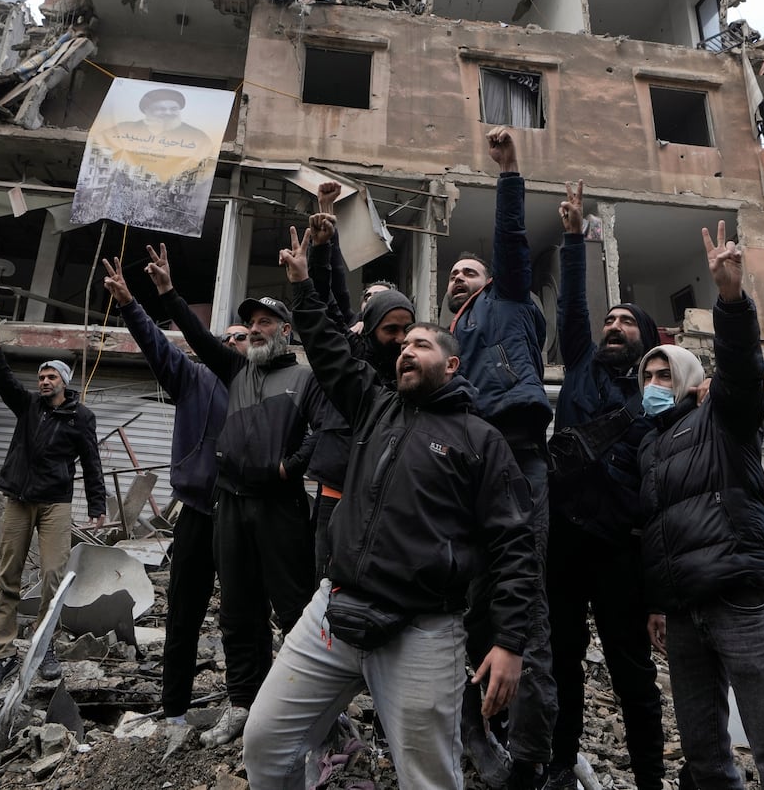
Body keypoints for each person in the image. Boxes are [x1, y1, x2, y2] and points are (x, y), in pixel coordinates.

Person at [242, 223, 535, 789]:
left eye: (420, 344)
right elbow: (329, 352)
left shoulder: (482, 441)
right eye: (400, 346)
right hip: (335, 611)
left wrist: (508, 642)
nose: (405, 352)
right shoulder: (373, 407)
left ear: (452, 366)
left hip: (422, 631)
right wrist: (303, 284)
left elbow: (515, 546)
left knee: (428, 778)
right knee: (265, 742)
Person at [140, 244, 348, 748]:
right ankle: (243, 705)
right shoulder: (236, 372)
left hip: (279, 506)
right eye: (249, 322)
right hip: (229, 504)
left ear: (286, 331)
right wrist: (167, 292)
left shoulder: (305, 378)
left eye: (265, 322)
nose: (254, 329)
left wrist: (289, 466)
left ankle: (317, 715)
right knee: (237, 609)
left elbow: (326, 430)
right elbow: (192, 336)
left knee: (294, 607)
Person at [637, 223, 764, 790]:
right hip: (683, 614)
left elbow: (741, 371)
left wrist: (732, 300)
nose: (654, 382)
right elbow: (657, 532)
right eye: (647, 375)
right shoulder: (649, 446)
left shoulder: (723, 418)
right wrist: (657, 604)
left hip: (738, 600)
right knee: (705, 755)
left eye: (665, 373)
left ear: (689, 379)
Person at [542, 182, 665, 790]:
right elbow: (571, 308)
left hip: (621, 549)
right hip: (563, 541)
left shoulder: (654, 399)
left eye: (626, 321)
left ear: (646, 340)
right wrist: (572, 238)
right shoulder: (584, 363)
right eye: (611, 319)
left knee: (632, 674)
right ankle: (561, 763)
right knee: (562, 663)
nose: (614, 325)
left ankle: (648, 778)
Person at [445, 127, 556, 789]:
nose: (459, 276)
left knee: (527, 610)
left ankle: (532, 759)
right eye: (452, 273)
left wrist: (510, 174)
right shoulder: (449, 335)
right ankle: (476, 735)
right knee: (469, 608)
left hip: (516, 458)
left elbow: (511, 246)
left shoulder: (509, 300)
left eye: (468, 269)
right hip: (465, 473)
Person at [100, 257, 235, 734]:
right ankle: (174, 710)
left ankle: (246, 707)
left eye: (246, 336)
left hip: (245, 516)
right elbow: (158, 349)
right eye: (231, 336)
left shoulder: (268, 388)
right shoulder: (195, 379)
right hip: (199, 513)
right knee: (183, 617)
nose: (237, 342)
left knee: (243, 619)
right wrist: (132, 305)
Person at [0, 301, 106, 688]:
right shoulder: (28, 405)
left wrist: (97, 505)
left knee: (52, 574)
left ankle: (44, 644)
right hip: (18, 499)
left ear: (64, 382)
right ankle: (3, 654)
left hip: (55, 503)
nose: (44, 381)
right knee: (8, 576)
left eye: (51, 376)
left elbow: (92, 462)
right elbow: (1, 376)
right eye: (41, 376)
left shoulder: (81, 418)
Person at [303, 181, 415, 582]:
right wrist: (323, 237)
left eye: (407, 327)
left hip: (388, 494)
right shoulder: (349, 351)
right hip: (338, 484)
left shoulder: (414, 369)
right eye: (388, 325)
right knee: (327, 580)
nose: (401, 339)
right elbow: (326, 296)